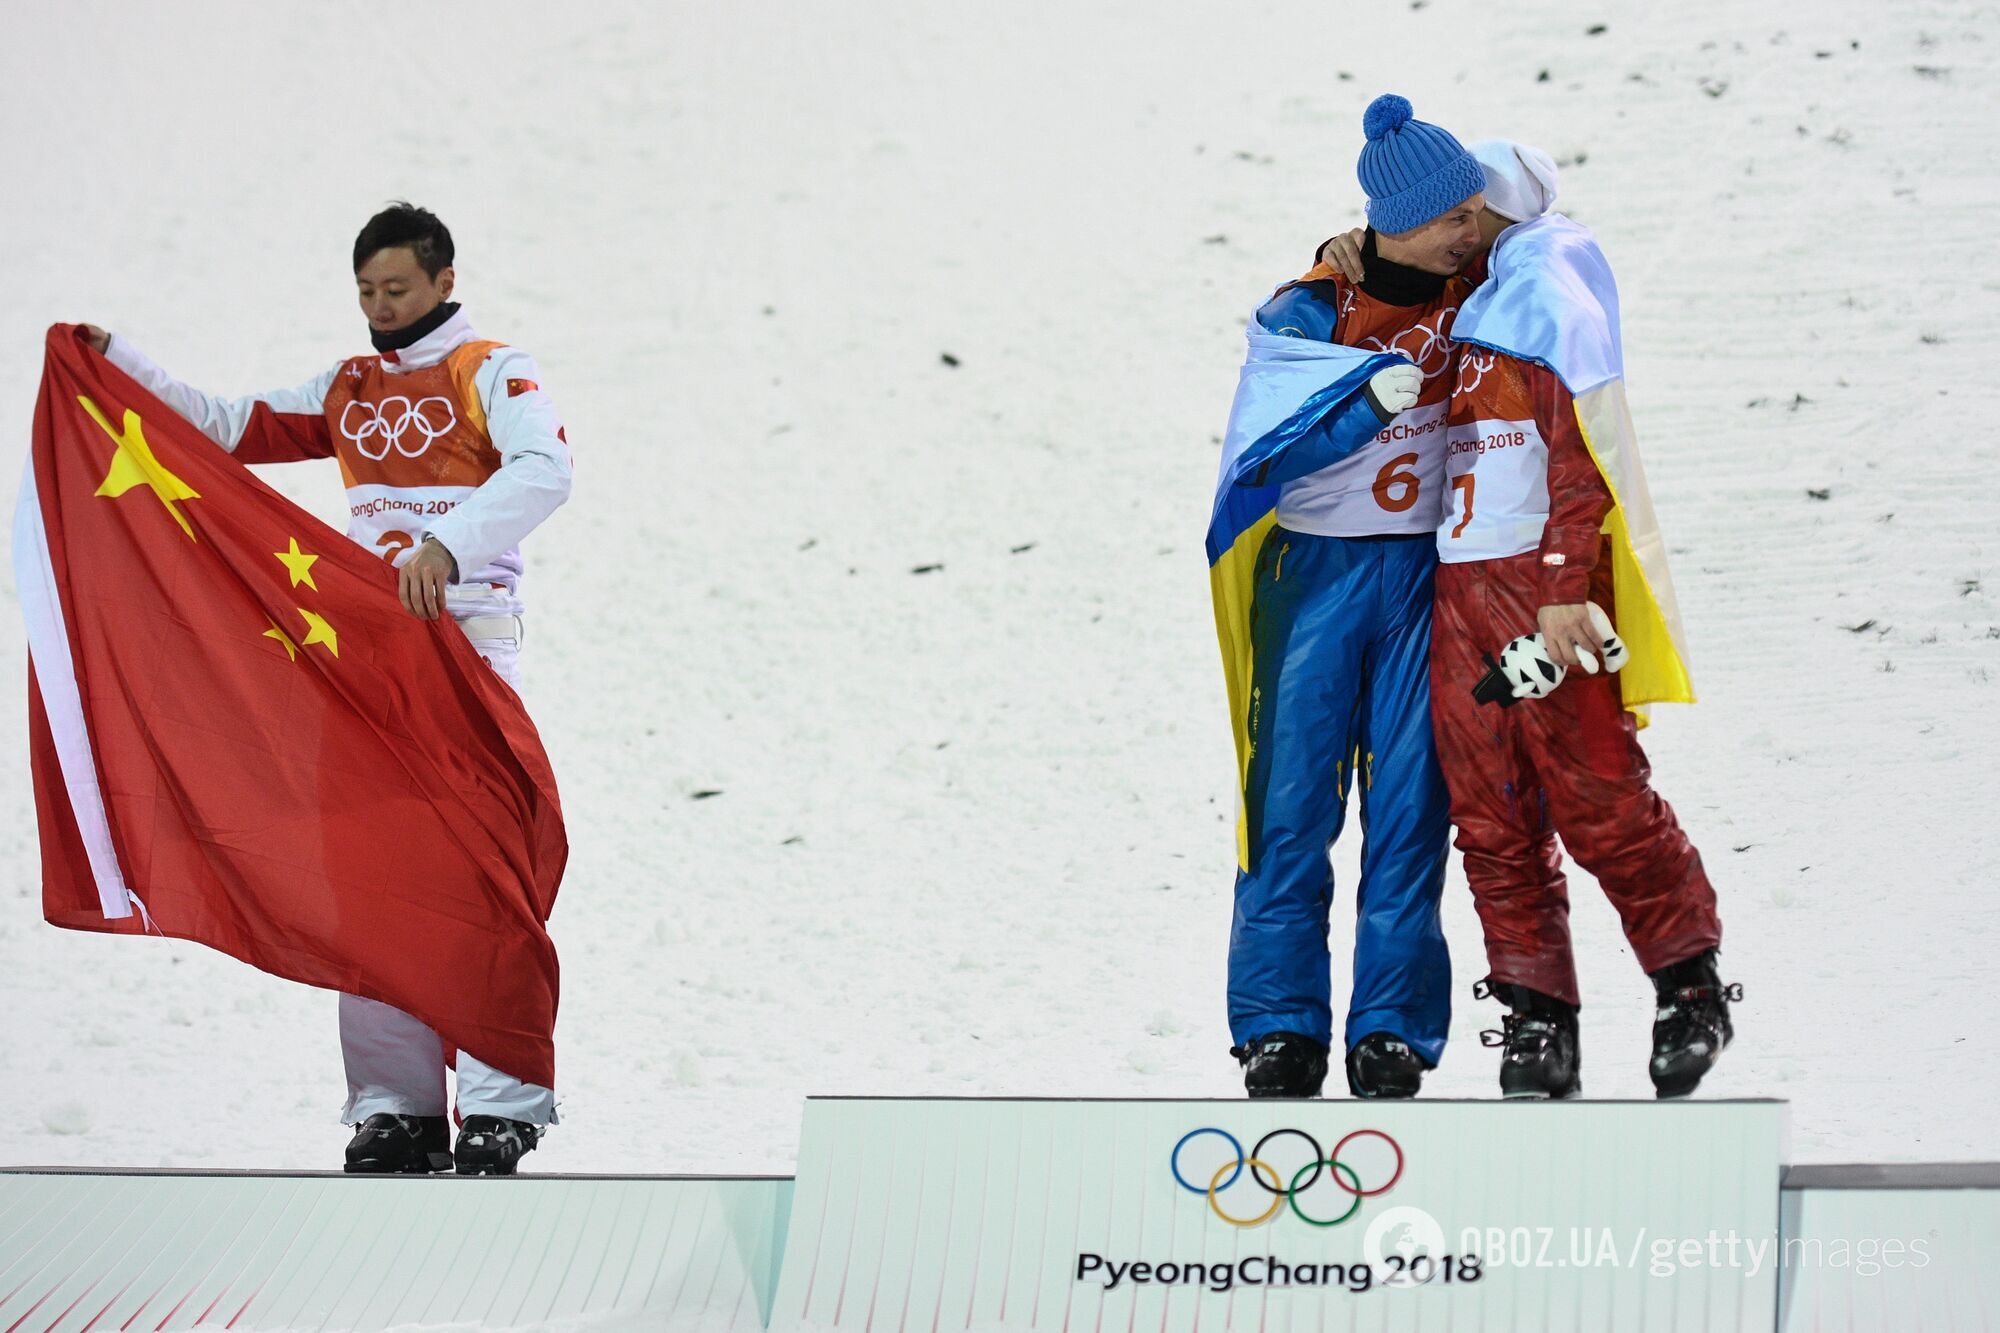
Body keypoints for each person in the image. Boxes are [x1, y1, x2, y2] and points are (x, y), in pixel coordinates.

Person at [82, 201, 574, 1170]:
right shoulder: (349, 386)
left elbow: (545, 468)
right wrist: (119, 363)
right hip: (366, 658)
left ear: (442, 280)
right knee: (370, 867)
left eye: (397, 288)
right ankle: (396, 1104)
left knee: (478, 866)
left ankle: (500, 1097)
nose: (381, 307)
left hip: (466, 645)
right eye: (365, 292)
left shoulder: (494, 370)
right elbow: (229, 427)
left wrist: (446, 542)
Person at [1332, 143, 1736, 1098]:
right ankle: (1535, 1016)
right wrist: (1345, 249)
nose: (1460, 238)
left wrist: (1563, 581)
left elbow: (1578, 452)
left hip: (1539, 588)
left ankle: (1690, 987)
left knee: (1601, 797)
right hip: (1459, 587)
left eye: (1474, 219)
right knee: (1491, 818)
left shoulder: (1545, 286)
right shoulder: (1475, 296)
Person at [1211, 95, 1485, 1100]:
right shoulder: (1304, 310)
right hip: (1314, 576)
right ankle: (1278, 1025)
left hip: (1421, 577)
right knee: (1289, 806)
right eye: (1457, 214)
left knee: (1414, 809)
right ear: (1402, 217)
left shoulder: (1476, 291)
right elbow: (1264, 453)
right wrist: (1360, 404)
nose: (1474, 228)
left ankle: (1391, 1030)